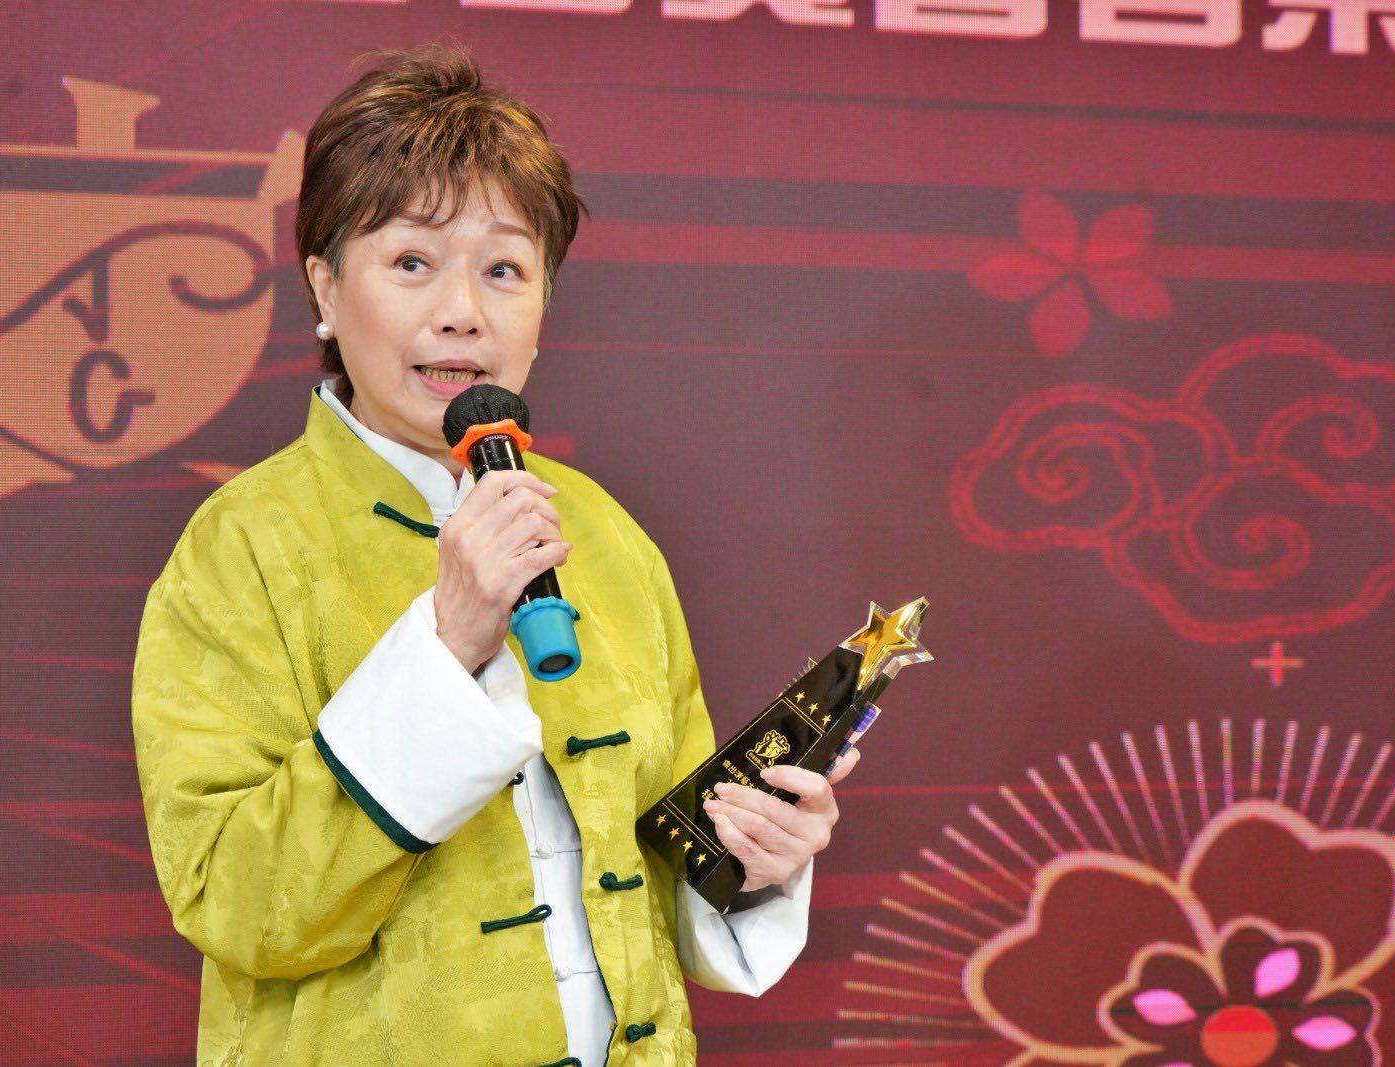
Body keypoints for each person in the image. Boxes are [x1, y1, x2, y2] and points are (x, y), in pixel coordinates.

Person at [132, 44, 857, 1066]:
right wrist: (446, 641)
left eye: (504, 268)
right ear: (325, 289)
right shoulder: (242, 545)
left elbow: (645, 885)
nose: (463, 310)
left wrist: (755, 858)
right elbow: (237, 903)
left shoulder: (605, 533)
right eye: (412, 262)